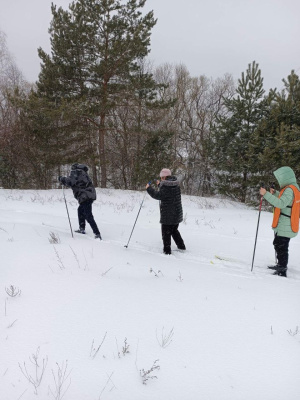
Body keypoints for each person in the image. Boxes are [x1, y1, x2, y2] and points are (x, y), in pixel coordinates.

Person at [260, 166, 300, 277]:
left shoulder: (289, 189)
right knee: (279, 244)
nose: (279, 181)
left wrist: (266, 194)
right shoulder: (293, 188)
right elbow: (287, 201)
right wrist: (276, 193)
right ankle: (281, 265)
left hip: (285, 223)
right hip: (286, 223)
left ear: (285, 177)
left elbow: (281, 204)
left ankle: (282, 270)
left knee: (281, 246)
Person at [146, 168, 185, 255]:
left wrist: (149, 189)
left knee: (166, 233)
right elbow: (168, 192)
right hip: (176, 214)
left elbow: (158, 195)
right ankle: (181, 246)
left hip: (168, 215)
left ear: (164, 177)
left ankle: (167, 251)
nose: (160, 179)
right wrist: (160, 185)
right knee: (174, 230)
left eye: (161, 177)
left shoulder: (166, 187)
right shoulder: (176, 184)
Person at [59, 163, 101, 239]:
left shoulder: (77, 172)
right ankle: (82, 228)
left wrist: (61, 179)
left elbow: (70, 181)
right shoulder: (84, 174)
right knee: (80, 210)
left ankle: (97, 233)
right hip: (89, 196)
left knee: (88, 215)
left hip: (84, 196)